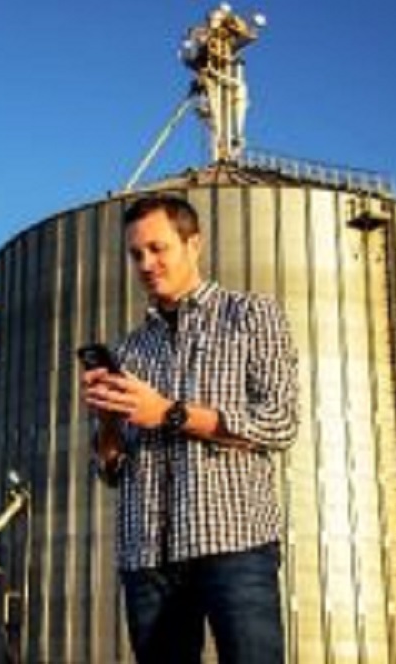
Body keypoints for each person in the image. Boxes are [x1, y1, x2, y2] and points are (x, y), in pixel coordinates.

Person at [81, 194, 299, 664]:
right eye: (136, 254)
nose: (145, 264)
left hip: (235, 544)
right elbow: (110, 471)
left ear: (193, 244)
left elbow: (279, 422)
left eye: (157, 248)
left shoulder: (251, 316)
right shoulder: (128, 351)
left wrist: (169, 413)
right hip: (147, 557)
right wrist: (107, 419)